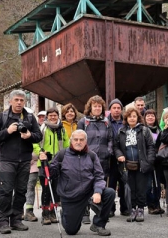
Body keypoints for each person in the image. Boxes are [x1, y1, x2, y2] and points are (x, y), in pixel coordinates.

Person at [42, 130, 116, 236]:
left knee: (110, 193)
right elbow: (50, 174)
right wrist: (45, 163)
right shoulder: (62, 154)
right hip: (71, 196)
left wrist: (98, 192)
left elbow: (99, 176)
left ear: (86, 141)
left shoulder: (92, 155)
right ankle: (65, 214)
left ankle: (99, 224)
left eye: (81, 140)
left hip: (88, 192)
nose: (78, 142)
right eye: (75, 139)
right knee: (71, 231)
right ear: (71, 141)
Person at [0, 90, 42, 234]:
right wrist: (7, 131)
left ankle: (16, 219)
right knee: (5, 191)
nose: (19, 103)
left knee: (21, 191)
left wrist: (30, 135)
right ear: (10, 101)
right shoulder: (3, 116)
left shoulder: (30, 117)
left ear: (24, 102)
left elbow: (38, 136)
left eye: (21, 100)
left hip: (25, 160)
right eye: (16, 100)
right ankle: (3, 221)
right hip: (7, 160)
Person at [113, 107, 155, 222]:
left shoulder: (144, 130)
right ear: (126, 118)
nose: (132, 118)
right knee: (130, 189)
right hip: (127, 165)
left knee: (141, 188)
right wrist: (119, 155)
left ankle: (140, 209)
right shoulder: (121, 131)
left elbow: (151, 146)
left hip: (141, 164)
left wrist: (149, 161)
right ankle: (132, 210)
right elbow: (115, 146)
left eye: (134, 116)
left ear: (138, 118)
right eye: (130, 116)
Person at [77, 95, 113, 224]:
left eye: (99, 106)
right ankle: (85, 212)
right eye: (95, 106)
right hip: (87, 158)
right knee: (85, 185)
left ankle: (100, 213)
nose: (97, 108)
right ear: (90, 107)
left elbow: (110, 139)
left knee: (101, 185)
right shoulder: (83, 122)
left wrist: (108, 151)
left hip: (103, 159)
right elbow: (78, 140)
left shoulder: (106, 122)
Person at [36, 107, 70, 224]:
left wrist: (66, 156)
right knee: (46, 188)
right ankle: (45, 214)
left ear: (58, 116)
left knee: (55, 189)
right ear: (47, 117)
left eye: (55, 115)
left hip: (58, 163)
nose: (53, 117)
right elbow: (35, 143)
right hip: (44, 162)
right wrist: (40, 153)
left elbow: (67, 144)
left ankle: (52, 212)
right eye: (50, 115)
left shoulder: (62, 129)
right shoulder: (42, 128)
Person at [106, 98, 129, 217]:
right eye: (114, 108)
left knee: (124, 182)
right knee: (111, 184)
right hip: (111, 158)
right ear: (110, 109)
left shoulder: (126, 122)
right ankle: (110, 208)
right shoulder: (106, 122)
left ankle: (125, 207)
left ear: (121, 109)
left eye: (118, 108)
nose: (116, 110)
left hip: (124, 156)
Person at [144, 109, 165, 215]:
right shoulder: (142, 130)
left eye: (152, 115)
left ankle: (157, 204)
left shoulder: (159, 130)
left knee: (157, 184)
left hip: (157, 161)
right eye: (148, 116)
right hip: (147, 161)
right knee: (148, 185)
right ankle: (150, 205)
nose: (150, 117)